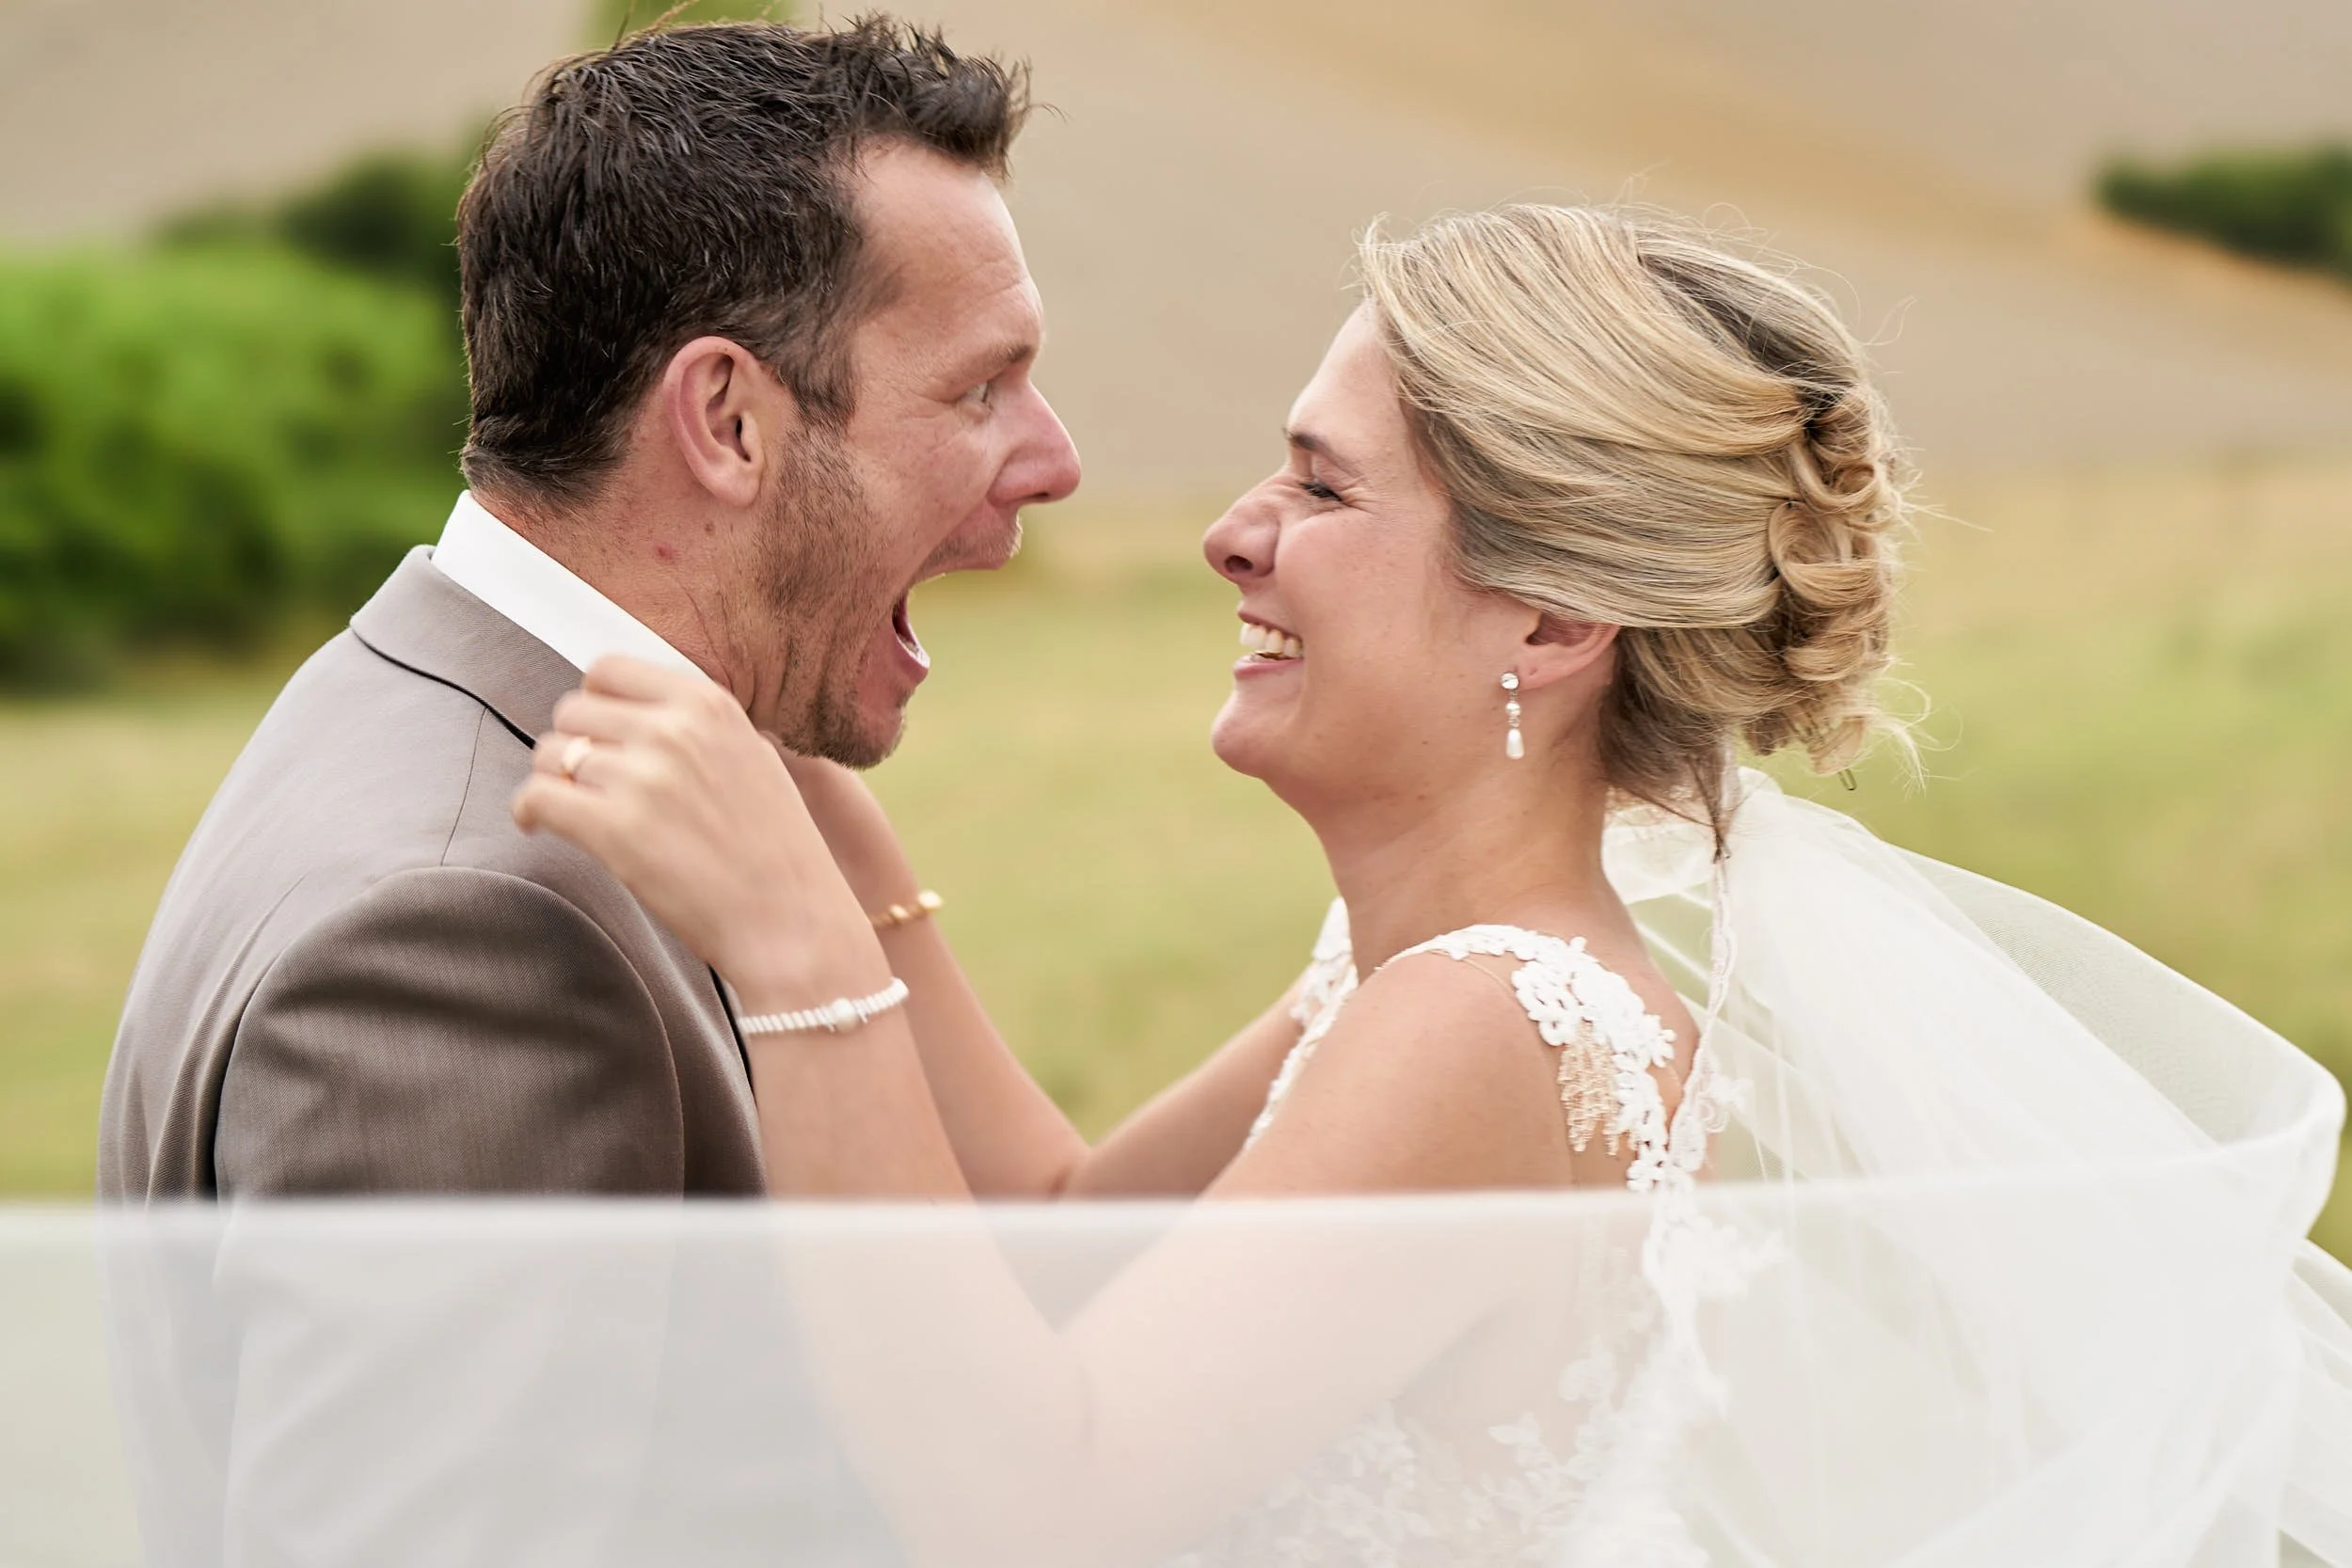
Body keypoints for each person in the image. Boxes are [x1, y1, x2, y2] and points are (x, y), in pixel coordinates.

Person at [514, 205, 2352, 1562]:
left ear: (1551, 619)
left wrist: (791, 944)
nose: (1231, 531)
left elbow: (1039, 1491)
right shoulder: (1440, 979)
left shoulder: (1482, 1019)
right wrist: (858, 859)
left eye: (1318, 492)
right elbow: (1068, 1233)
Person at [96, 18, 1079, 1197]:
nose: (1055, 461)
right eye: (979, 387)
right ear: (727, 420)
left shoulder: (426, 703)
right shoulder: (464, 941)